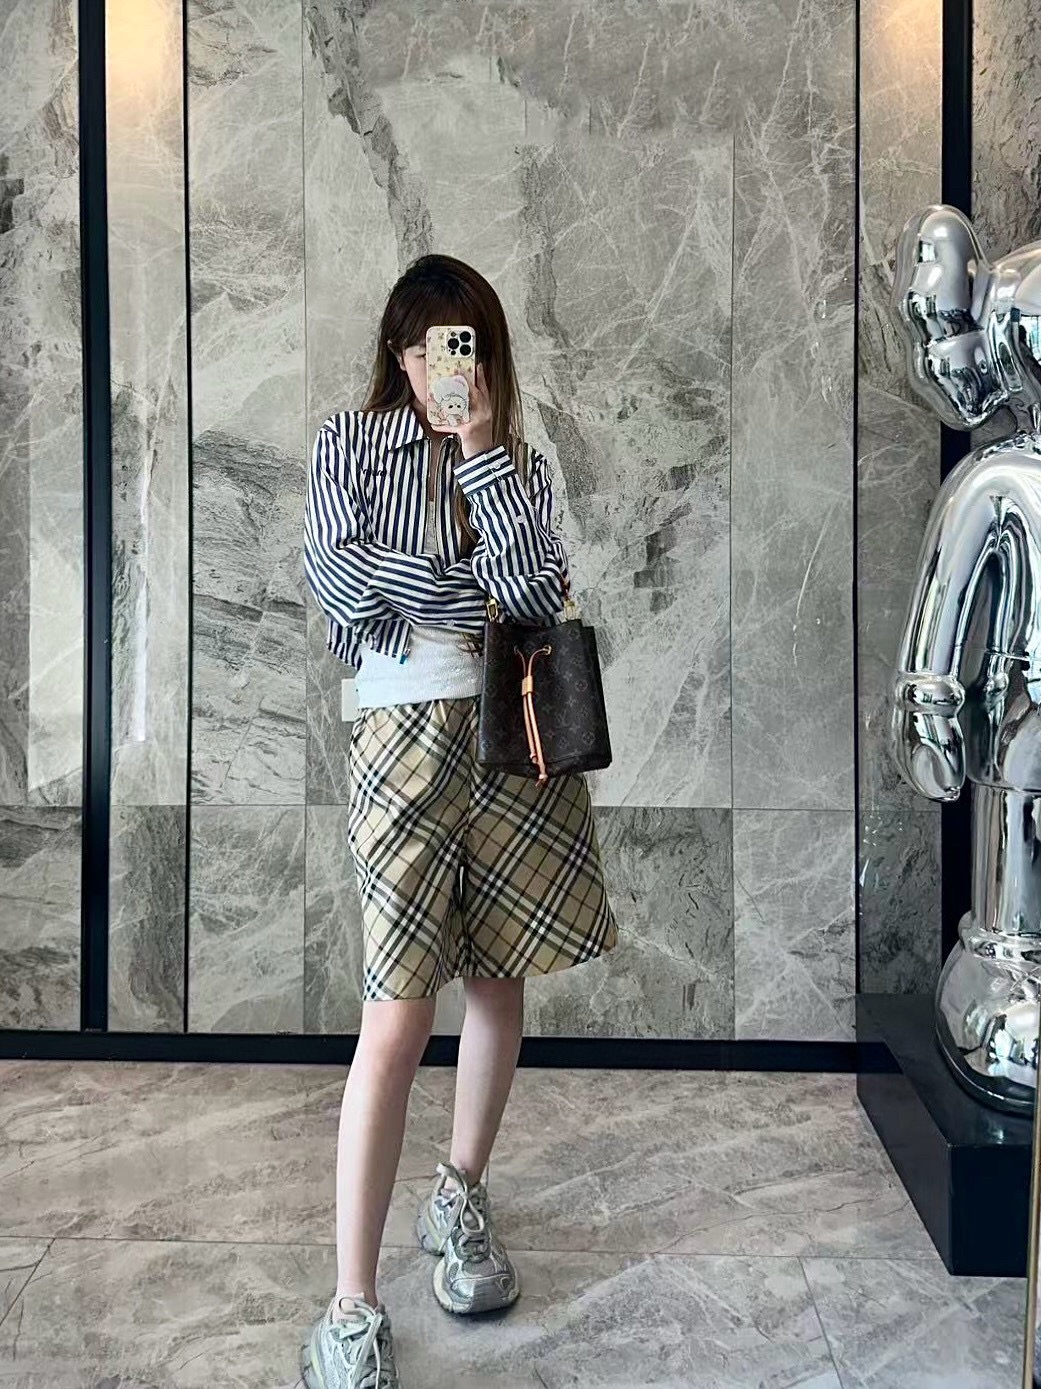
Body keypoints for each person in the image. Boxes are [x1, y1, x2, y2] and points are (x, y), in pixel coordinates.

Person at [300, 253, 618, 1388]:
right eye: (431, 343)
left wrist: (481, 459)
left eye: (467, 345)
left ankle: (460, 1195)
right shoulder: (346, 444)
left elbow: (534, 597)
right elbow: (340, 583)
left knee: (498, 980)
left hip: (506, 739)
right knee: (396, 1013)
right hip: (397, 739)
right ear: (400, 352)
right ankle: (351, 1303)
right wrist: (465, 589)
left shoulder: (514, 462)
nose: (448, 365)